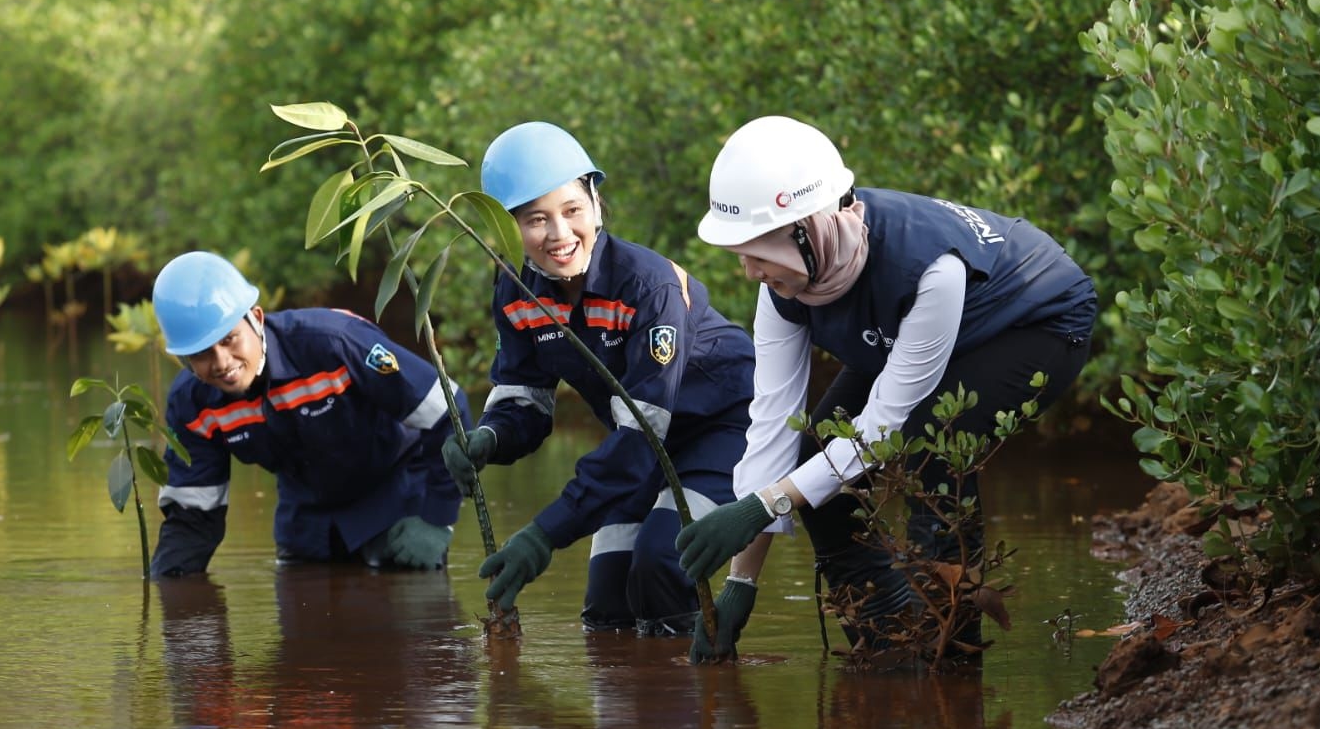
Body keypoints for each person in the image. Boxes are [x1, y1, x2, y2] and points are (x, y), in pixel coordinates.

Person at [676, 115, 1098, 662]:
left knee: (933, 445)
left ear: (811, 228)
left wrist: (767, 504)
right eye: (741, 256)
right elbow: (773, 428)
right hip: (917, 333)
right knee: (815, 457)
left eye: (759, 252)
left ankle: (950, 648)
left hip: (1036, 323)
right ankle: (885, 637)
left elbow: (883, 430)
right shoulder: (781, 287)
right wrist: (742, 582)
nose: (750, 272)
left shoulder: (930, 269)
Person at [443, 122, 755, 636]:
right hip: (640, 447)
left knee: (660, 562)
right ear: (504, 230)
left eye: (572, 211)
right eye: (535, 220)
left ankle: (699, 691)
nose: (560, 235)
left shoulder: (646, 285)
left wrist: (544, 534)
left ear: (596, 204)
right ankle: (630, 707)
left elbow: (641, 435)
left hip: (722, 431)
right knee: (609, 601)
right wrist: (488, 438)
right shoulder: (516, 293)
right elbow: (525, 400)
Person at [149, 251, 470, 576]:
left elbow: (447, 410)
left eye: (230, 340)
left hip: (396, 503)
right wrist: (164, 592)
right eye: (201, 354)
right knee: (305, 611)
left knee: (417, 617)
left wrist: (437, 518)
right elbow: (193, 515)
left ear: (256, 319)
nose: (221, 362)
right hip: (306, 524)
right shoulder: (191, 404)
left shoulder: (335, 343)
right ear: (183, 359)